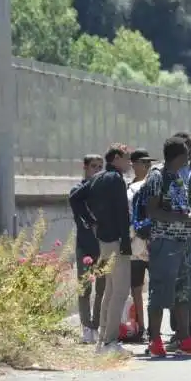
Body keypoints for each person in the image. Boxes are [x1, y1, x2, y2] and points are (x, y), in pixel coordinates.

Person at [69, 143, 133, 356]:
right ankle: (110, 341)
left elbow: (75, 198)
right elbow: (122, 213)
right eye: (126, 158)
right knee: (120, 291)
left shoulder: (97, 178)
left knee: (109, 291)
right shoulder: (116, 180)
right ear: (116, 158)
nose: (129, 162)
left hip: (104, 241)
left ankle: (103, 339)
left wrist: (91, 221)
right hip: (116, 241)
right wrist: (126, 242)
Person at [144, 137, 191, 357]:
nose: (189, 159)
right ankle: (155, 341)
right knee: (160, 291)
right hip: (164, 242)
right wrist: (182, 218)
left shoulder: (177, 177)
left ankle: (185, 339)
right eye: (187, 155)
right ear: (180, 156)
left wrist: (189, 218)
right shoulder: (157, 176)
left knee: (183, 293)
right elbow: (153, 210)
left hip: (182, 241)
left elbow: (180, 207)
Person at [70, 154, 105, 344]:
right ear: (85, 167)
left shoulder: (103, 191)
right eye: (94, 166)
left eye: (100, 167)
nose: (97, 170)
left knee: (102, 289)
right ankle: (86, 327)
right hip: (84, 246)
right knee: (84, 289)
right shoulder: (78, 190)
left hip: (102, 246)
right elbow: (75, 201)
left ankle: (95, 325)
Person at [125, 148, 156, 344]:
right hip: (137, 244)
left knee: (153, 287)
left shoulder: (151, 187)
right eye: (142, 163)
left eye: (147, 163)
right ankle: (143, 327)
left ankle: (151, 329)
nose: (146, 166)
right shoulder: (129, 189)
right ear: (134, 165)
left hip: (148, 242)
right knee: (136, 288)